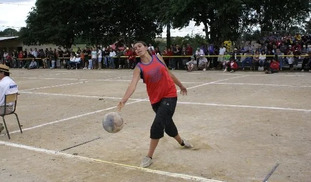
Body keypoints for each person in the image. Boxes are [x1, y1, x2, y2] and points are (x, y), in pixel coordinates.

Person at [117, 41, 193, 168]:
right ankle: (182, 142)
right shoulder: (138, 68)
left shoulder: (158, 57)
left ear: (146, 47)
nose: (137, 49)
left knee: (157, 124)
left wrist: (180, 85)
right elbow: (132, 85)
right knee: (167, 125)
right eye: (135, 48)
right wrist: (123, 100)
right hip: (155, 100)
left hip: (170, 95)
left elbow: (168, 72)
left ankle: (149, 156)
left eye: (139, 46)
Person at [0, 64, 18, 133]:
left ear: (2, 73)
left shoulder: (1, 84)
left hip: (3, 109)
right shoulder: (12, 82)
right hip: (11, 107)